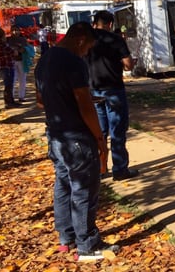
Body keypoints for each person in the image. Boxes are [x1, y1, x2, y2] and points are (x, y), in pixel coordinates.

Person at [34, 22, 120, 261]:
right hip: (77, 138)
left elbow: (41, 99)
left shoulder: (45, 59)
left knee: (63, 184)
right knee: (85, 189)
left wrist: (65, 101)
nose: (87, 53)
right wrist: (99, 138)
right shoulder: (73, 61)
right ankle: (88, 245)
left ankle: (66, 236)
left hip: (56, 135)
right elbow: (82, 101)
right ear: (81, 39)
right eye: (88, 47)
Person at [86, 10, 138, 181]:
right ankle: (120, 168)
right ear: (110, 24)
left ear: (95, 22)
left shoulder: (87, 40)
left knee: (99, 131)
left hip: (94, 90)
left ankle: (100, 168)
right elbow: (128, 64)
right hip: (113, 89)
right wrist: (129, 64)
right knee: (117, 130)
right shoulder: (115, 39)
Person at [0, 27, 19, 109]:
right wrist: (16, 50)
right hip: (8, 66)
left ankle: (10, 101)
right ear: (2, 35)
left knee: (8, 85)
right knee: (9, 85)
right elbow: (14, 53)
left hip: (1, 66)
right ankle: (9, 103)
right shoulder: (3, 44)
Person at [7, 25, 30, 102]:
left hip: (22, 61)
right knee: (12, 80)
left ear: (19, 31)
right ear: (11, 31)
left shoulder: (23, 39)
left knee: (22, 79)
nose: (15, 32)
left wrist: (19, 50)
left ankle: (21, 96)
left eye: (17, 30)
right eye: (13, 30)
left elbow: (26, 49)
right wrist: (15, 49)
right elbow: (7, 49)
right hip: (12, 62)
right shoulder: (8, 40)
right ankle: (12, 97)